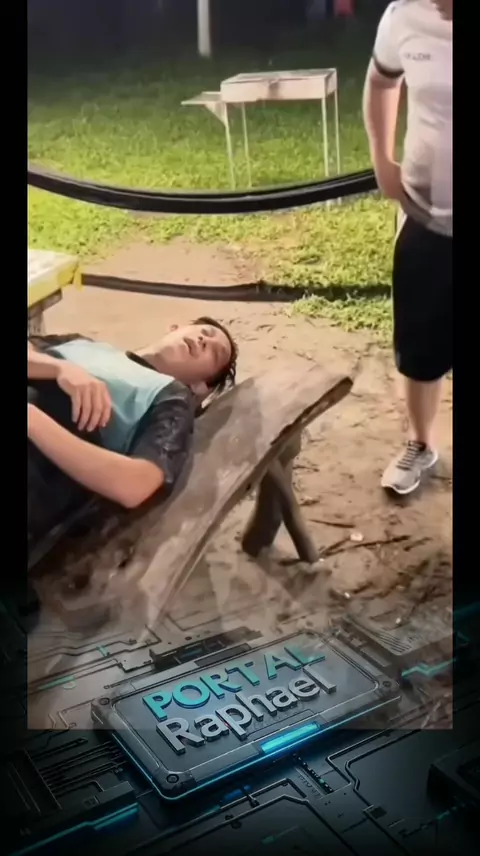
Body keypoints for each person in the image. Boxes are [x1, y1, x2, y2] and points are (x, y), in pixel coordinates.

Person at [28, 317, 238, 547]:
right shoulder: (82, 343)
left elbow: (134, 485)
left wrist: (33, 420)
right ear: (175, 328)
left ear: (201, 386)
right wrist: (60, 368)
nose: (203, 340)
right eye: (205, 331)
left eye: (215, 353)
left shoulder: (172, 399)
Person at [362, 0, 452, 495]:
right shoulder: (403, 15)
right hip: (424, 215)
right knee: (420, 346)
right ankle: (421, 443)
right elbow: (381, 81)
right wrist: (382, 159)